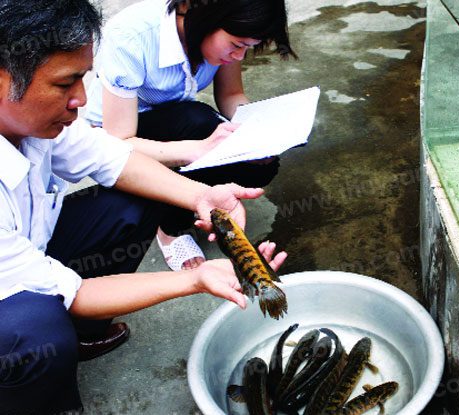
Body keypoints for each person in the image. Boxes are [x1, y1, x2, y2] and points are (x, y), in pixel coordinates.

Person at [0, 1, 286, 413]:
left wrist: (199, 196)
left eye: (83, 78)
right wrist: (196, 279)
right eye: (66, 84)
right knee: (35, 334)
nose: (81, 99)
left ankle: (81, 333)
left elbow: (109, 158)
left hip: (30, 249)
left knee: (135, 199)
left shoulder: (36, 123)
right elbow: (73, 292)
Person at [84, 0, 297, 272]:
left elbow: (231, 95)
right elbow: (119, 142)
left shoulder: (226, 34)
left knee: (258, 166)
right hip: (122, 135)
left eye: (248, 47)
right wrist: (195, 149)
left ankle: (190, 194)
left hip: (178, 120)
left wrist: (256, 135)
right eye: (236, 45)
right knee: (197, 121)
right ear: (205, 18)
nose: (240, 56)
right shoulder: (131, 37)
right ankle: (170, 228)